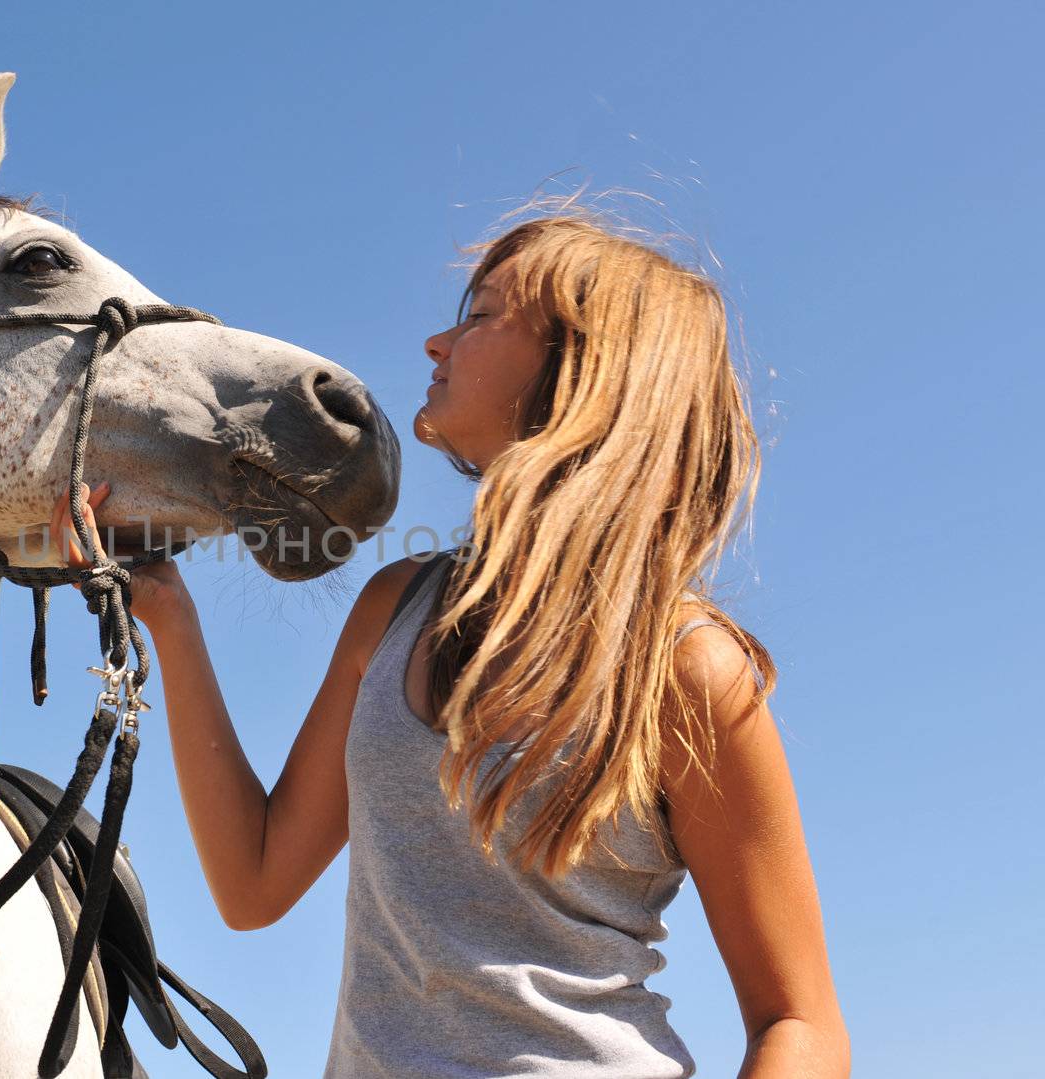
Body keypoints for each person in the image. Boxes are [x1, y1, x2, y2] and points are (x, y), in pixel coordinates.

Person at [47, 212, 849, 1078]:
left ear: (584, 365)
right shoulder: (396, 608)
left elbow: (798, 1020)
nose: (436, 341)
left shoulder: (691, 668)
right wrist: (169, 615)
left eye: (481, 315)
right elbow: (254, 881)